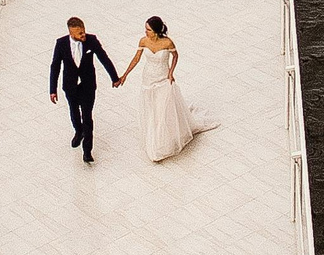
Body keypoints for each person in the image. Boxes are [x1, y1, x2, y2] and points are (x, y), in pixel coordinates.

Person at [128, 16, 219, 162]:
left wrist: (171, 72)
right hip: (148, 79)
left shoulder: (167, 42)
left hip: (163, 78)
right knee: (153, 109)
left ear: (156, 31)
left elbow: (175, 56)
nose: (145, 32)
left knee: (163, 109)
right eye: (145, 29)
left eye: (148, 30)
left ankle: (163, 142)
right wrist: (125, 75)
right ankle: (155, 142)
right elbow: (136, 59)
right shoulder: (143, 41)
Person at [48, 17, 122, 164]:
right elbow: (55, 66)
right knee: (74, 111)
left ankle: (87, 151)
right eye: (79, 34)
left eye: (83, 32)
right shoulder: (61, 43)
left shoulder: (91, 40)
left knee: (87, 116)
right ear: (71, 33)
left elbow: (103, 58)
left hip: (87, 85)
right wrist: (53, 89)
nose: (83, 35)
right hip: (70, 85)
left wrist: (114, 77)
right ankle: (78, 130)